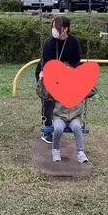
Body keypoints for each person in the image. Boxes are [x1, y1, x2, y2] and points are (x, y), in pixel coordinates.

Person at [35, 16, 82, 144]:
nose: (54, 30)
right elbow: (47, 62)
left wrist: (70, 68)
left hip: (65, 73)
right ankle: (48, 129)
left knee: (63, 100)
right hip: (46, 71)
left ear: (65, 29)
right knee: (49, 99)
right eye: (53, 27)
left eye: (57, 28)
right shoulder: (49, 42)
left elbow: (76, 60)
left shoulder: (73, 42)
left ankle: (62, 123)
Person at [37, 72, 95, 163]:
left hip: (74, 118)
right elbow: (43, 94)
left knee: (77, 127)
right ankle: (55, 150)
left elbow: (93, 91)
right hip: (59, 118)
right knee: (58, 128)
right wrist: (41, 80)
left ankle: (80, 153)